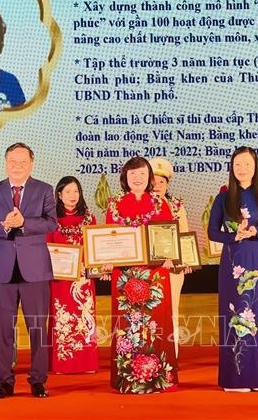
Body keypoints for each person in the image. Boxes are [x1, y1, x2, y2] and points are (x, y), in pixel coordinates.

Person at [0, 143, 57, 399]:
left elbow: (51, 223)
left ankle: (38, 380)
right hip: (3, 268)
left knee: (38, 328)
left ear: (31, 164)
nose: (17, 166)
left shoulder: (44, 189)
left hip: (35, 269)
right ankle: (4, 382)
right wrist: (3, 226)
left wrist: (24, 223)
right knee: (3, 328)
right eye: (13, 161)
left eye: (23, 162)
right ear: (5, 163)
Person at [208, 146, 258, 392]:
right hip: (233, 259)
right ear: (231, 167)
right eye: (237, 164)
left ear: (255, 167)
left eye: (247, 164)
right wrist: (234, 236)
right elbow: (212, 232)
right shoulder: (223, 197)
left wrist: (256, 232)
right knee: (235, 312)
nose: (242, 169)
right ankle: (236, 378)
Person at [105, 156, 178, 394]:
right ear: (125, 177)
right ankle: (129, 379)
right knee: (128, 328)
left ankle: (156, 377)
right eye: (133, 173)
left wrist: (170, 255)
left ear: (149, 178)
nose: (138, 178)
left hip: (154, 274)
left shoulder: (159, 203)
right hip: (125, 275)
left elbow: (167, 236)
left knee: (155, 326)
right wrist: (105, 258)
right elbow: (108, 238)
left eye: (142, 174)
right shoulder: (115, 204)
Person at [46, 176, 99, 374]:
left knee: (85, 319)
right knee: (63, 318)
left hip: (83, 279)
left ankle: (86, 363)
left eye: (76, 191)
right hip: (60, 279)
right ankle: (63, 363)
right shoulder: (51, 220)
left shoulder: (89, 218)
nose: (72, 195)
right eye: (67, 191)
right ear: (59, 195)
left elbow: (95, 247)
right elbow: (47, 248)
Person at [149, 157, 192, 358]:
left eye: (162, 182)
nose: (157, 186)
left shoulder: (176, 206)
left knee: (171, 308)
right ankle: (150, 351)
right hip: (149, 268)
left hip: (173, 268)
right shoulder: (141, 205)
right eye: (154, 182)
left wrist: (187, 260)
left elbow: (184, 234)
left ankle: (171, 353)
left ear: (167, 184)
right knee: (150, 309)